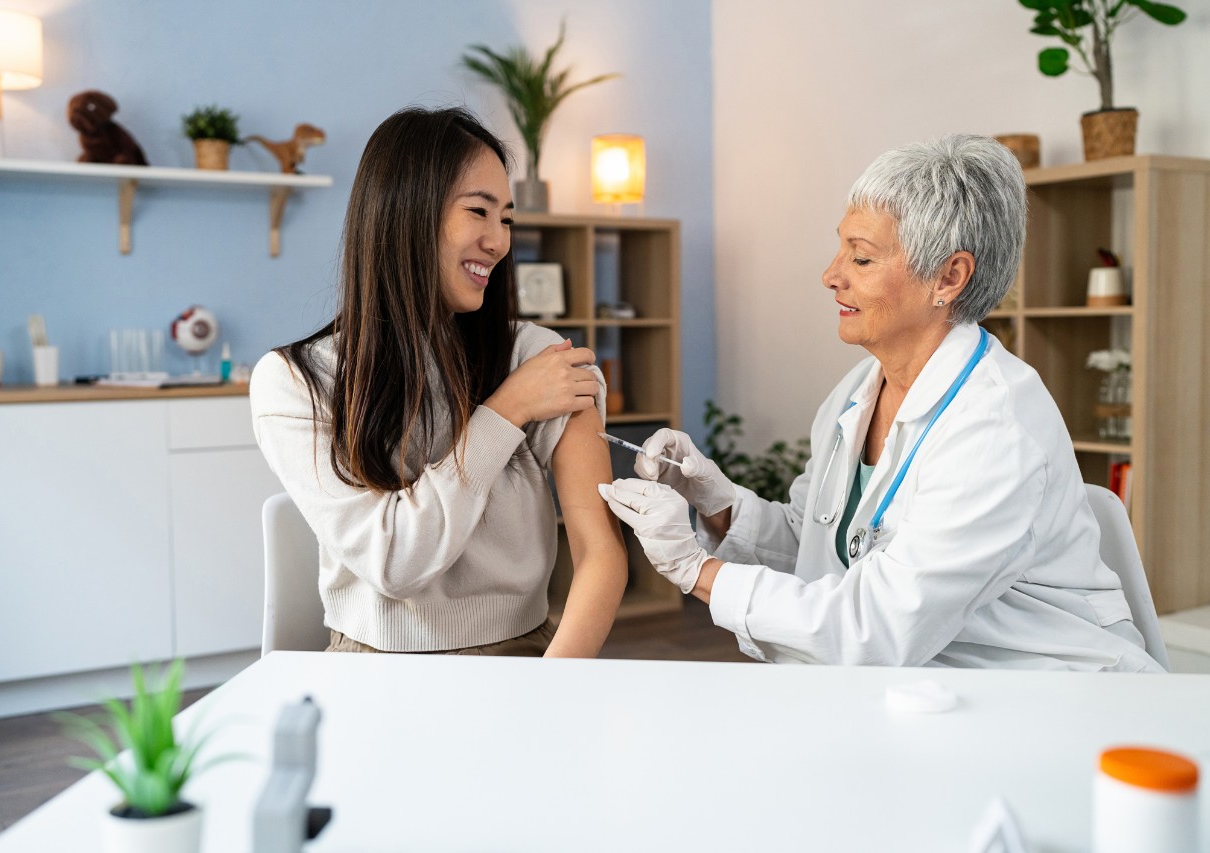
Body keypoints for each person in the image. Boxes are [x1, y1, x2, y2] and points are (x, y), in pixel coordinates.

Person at [600, 134, 1162, 671]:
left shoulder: (995, 429)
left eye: (861, 259)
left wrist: (693, 569)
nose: (830, 276)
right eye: (839, 249)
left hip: (1045, 693)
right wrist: (717, 503)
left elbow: (877, 629)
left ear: (949, 277)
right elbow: (819, 545)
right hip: (925, 679)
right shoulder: (857, 393)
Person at [252, 106, 627, 658]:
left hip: (523, 658)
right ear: (405, 213)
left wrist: (551, 691)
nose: (499, 242)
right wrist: (503, 414)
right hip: (370, 672)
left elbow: (602, 556)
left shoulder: (540, 358)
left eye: (506, 219)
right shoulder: (298, 380)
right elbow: (395, 562)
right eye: (479, 211)